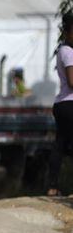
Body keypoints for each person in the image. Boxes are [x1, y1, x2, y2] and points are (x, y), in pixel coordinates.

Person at [48, 12, 73, 197]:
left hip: (62, 104)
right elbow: (72, 82)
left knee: (61, 144)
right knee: (62, 144)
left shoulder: (64, 50)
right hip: (69, 104)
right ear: (67, 32)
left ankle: (53, 186)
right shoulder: (68, 51)